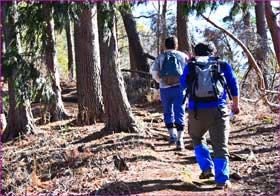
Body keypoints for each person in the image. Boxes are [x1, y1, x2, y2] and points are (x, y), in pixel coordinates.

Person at [180, 42, 240, 189]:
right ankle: (222, 180)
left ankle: (206, 168)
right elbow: (233, 84)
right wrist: (235, 104)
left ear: (195, 53)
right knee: (220, 146)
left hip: (196, 111)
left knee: (197, 137)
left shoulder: (191, 66)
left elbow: (182, 84)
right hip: (219, 110)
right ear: (212, 52)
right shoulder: (222, 64)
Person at [150, 36, 188, 150]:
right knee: (179, 112)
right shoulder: (183, 56)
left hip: (164, 89)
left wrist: (161, 81)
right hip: (180, 89)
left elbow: (155, 73)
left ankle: (172, 136)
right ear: (176, 45)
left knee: (167, 111)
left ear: (165, 46)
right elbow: (188, 72)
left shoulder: (160, 57)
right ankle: (180, 140)